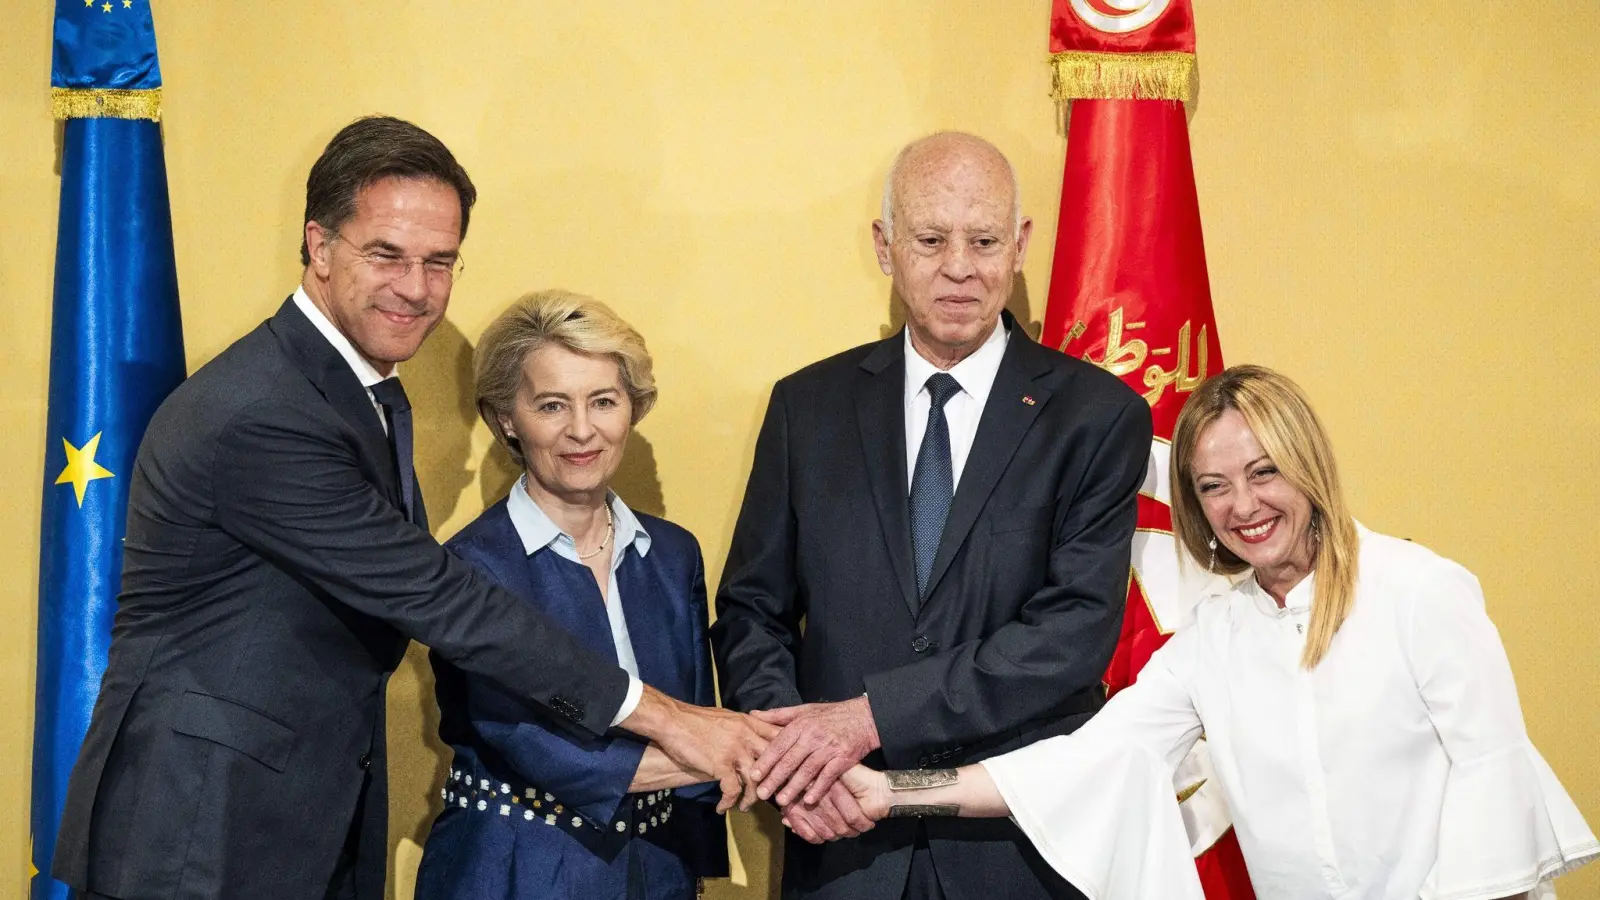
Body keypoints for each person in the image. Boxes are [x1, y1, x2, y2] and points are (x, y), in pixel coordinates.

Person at [53, 116, 767, 900]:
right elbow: (437, 596)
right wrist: (669, 718)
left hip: (299, 816)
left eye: (440, 262)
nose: (417, 288)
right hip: (199, 830)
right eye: (386, 254)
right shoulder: (264, 409)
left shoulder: (360, 391)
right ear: (319, 247)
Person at [832, 365, 1599, 900]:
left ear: (1309, 466)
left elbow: (1493, 788)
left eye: (1264, 472)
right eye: (1213, 486)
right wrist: (888, 793)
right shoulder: (1213, 640)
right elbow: (1075, 764)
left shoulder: (1423, 591)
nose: (1243, 506)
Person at [710, 131, 1153, 899]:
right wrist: (799, 764)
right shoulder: (806, 408)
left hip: (1017, 849)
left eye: (983, 240)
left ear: (1020, 246)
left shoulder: (1098, 417)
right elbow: (752, 611)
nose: (959, 267)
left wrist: (870, 717)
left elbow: (1072, 634)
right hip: (840, 836)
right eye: (930, 238)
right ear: (885, 247)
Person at [413, 291, 727, 899]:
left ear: (632, 408)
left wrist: (694, 862)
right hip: (515, 871)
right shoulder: (469, 569)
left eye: (603, 401)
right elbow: (545, 750)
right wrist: (745, 755)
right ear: (507, 417)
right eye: (552, 405)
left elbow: (693, 709)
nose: (582, 430)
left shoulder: (672, 554)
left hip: (657, 869)